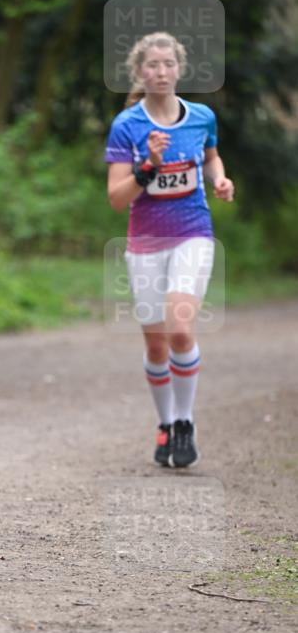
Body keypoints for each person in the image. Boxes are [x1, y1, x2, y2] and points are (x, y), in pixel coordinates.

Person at [105, 31, 234, 468]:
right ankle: (165, 423)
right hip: (145, 244)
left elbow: (211, 156)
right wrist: (149, 167)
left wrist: (219, 178)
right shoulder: (128, 126)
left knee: (181, 330)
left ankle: (185, 422)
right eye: (152, 65)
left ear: (179, 69)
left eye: (168, 64)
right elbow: (117, 199)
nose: (161, 72)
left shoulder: (201, 116)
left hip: (193, 233)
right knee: (157, 346)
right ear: (140, 72)